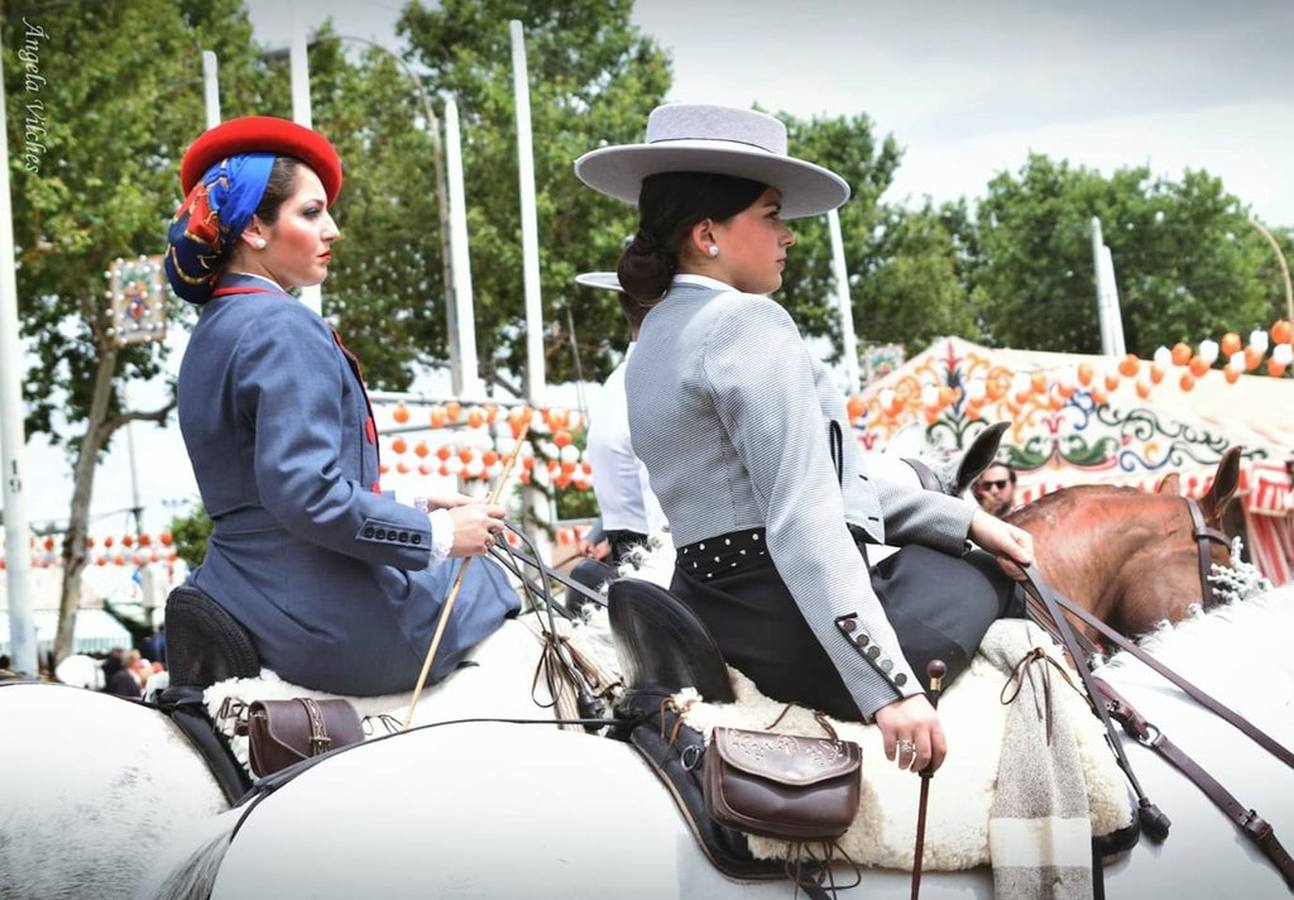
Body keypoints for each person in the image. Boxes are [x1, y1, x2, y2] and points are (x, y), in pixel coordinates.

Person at [575, 105, 1034, 775]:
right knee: (985, 572)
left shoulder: (652, 342)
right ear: (707, 234)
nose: (789, 236)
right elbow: (803, 516)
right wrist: (892, 690)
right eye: (770, 215)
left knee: (964, 545)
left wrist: (963, 516)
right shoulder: (747, 322)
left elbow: (808, 483)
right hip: (787, 623)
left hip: (710, 603)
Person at [166, 116, 519, 696]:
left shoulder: (213, 329)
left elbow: (265, 490)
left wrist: (413, 501)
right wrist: (438, 534)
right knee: (494, 571)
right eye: (311, 212)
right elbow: (305, 493)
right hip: (322, 617)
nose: (333, 230)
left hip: (241, 589)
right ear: (254, 226)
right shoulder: (281, 323)